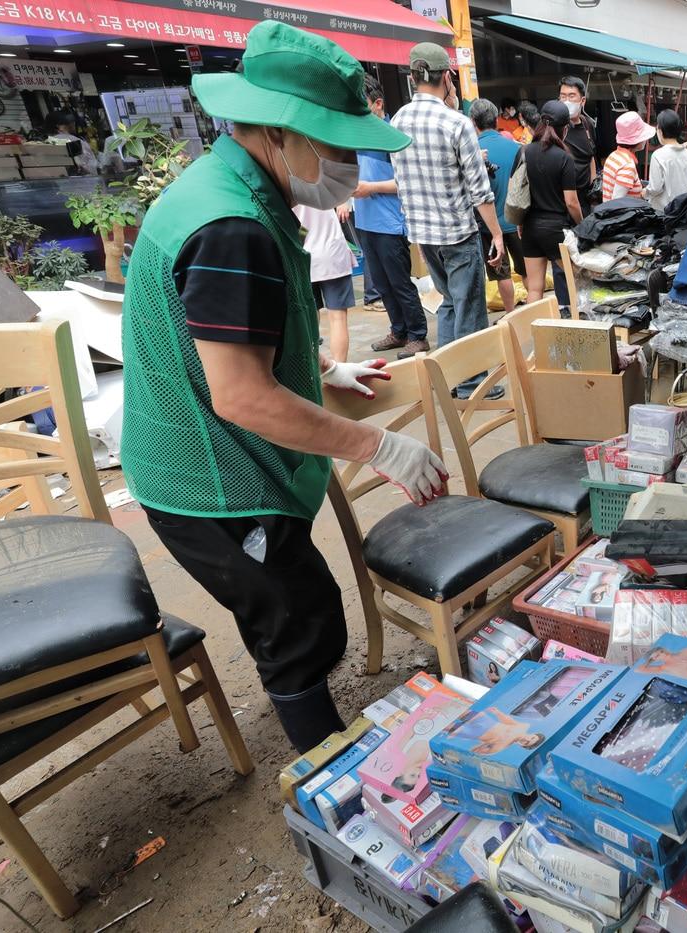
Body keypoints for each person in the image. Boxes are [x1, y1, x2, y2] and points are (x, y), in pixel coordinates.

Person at [119, 21, 448, 753]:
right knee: (299, 616)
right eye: (335, 144)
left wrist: (327, 368)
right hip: (205, 475)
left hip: (212, 449)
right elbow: (242, 395)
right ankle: (327, 765)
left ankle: (308, 717)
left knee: (287, 605)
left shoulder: (240, 187)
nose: (346, 162)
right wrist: (380, 446)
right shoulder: (232, 225)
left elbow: (238, 330)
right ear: (279, 132)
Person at [391, 42, 505, 394]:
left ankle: (448, 379)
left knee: (449, 303)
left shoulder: (397, 121)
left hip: (423, 234)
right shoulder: (456, 123)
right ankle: (470, 382)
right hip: (456, 232)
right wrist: (497, 235)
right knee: (469, 308)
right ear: (448, 77)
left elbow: (403, 181)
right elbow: (479, 190)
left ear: (412, 77)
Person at [352, 76, 429, 356]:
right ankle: (399, 331)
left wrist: (370, 188)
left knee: (400, 283)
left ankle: (418, 334)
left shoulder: (392, 135)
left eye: (363, 105)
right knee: (382, 285)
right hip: (365, 221)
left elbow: (407, 181)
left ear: (378, 104)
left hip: (389, 222)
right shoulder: (356, 136)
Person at [521, 101, 584, 304]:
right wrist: (582, 226)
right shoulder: (564, 158)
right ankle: (576, 329)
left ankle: (534, 332)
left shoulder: (524, 152)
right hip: (556, 229)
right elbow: (571, 202)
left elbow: (518, 194)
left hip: (530, 227)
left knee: (534, 288)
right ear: (564, 129)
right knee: (577, 281)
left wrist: (520, 224)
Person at [470, 98, 528, 314]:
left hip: (491, 225)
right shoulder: (517, 147)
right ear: (496, 119)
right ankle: (532, 311)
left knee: (502, 273)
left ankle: (510, 314)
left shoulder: (473, 151)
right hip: (519, 221)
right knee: (527, 271)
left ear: (473, 122)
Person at [293, 205, 355, 362]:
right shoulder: (325, 183)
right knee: (338, 318)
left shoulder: (286, 185)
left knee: (309, 319)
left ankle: (312, 367)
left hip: (303, 255)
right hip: (332, 254)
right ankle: (340, 372)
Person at [645, 109, 687, 212]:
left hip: (662, 213)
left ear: (660, 130)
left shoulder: (658, 155)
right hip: (682, 210)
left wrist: (645, 192)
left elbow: (655, 188)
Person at [558, 75, 596, 205]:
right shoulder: (555, 128)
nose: (566, 101)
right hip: (563, 199)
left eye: (571, 96)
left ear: (582, 100)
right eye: (563, 97)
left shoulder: (588, 124)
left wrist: (594, 187)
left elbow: (590, 157)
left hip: (585, 198)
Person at [602, 110, 653, 200]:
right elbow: (617, 202)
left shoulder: (613, 155)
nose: (645, 140)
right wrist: (641, 195)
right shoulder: (627, 166)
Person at [43, 110, 99, 174]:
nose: (73, 124)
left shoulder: (45, 143)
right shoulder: (72, 141)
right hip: (81, 180)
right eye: (70, 122)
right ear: (59, 126)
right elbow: (87, 166)